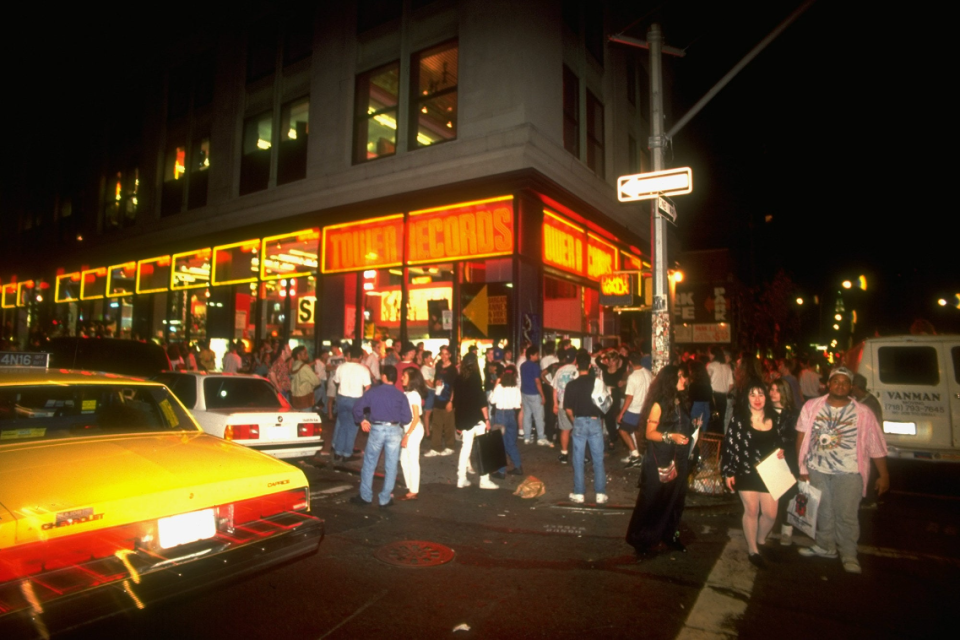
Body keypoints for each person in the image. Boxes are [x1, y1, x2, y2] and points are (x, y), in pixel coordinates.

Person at [796, 366, 889, 574]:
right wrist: (802, 466)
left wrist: (884, 474)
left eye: (844, 382)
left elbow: (876, 445)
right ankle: (826, 546)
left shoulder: (863, 413)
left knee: (846, 514)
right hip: (817, 468)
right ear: (829, 384)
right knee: (823, 510)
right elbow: (801, 437)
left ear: (851, 386)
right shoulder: (812, 406)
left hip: (850, 472)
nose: (840, 385)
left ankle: (848, 553)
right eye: (836, 381)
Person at [722, 379, 794, 567]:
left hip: (771, 470)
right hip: (746, 470)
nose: (757, 399)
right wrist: (729, 472)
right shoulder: (739, 419)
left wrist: (783, 448)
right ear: (746, 398)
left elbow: (786, 440)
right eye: (752, 395)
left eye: (761, 394)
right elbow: (730, 446)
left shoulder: (775, 418)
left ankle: (761, 540)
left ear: (766, 397)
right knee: (752, 510)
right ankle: (753, 549)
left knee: (770, 514)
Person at [625, 364, 695, 557]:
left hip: (680, 458)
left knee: (675, 500)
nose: (684, 380)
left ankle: (670, 535)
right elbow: (649, 433)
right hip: (660, 458)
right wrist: (670, 437)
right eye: (680, 377)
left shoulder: (682, 401)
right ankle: (641, 541)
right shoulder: (659, 404)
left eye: (684, 377)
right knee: (653, 500)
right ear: (670, 380)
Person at [349, 365, 413, 508]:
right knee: (391, 466)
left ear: (384, 376)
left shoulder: (373, 392)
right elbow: (407, 418)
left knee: (370, 462)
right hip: (394, 430)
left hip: (377, 428)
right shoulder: (400, 395)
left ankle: (365, 496)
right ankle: (385, 498)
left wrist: (362, 420)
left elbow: (357, 407)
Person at [563, 349, 608, 504]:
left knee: (578, 459)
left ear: (577, 365)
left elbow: (568, 408)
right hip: (595, 422)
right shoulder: (598, 383)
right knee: (598, 459)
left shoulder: (571, 385)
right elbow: (605, 404)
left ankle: (579, 492)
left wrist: (574, 420)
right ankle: (600, 493)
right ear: (589, 366)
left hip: (579, 421)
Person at [454, 353, 498, 489]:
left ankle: (461, 478)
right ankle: (484, 480)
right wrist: (486, 418)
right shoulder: (476, 378)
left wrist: (459, 423)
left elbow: (457, 402)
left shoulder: (458, 379)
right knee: (483, 448)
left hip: (465, 419)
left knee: (465, 448)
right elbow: (481, 400)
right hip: (477, 418)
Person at [769, 378, 801, 546]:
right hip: (769, 458)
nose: (773, 393)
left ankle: (786, 529)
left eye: (777, 389)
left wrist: (785, 448)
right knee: (770, 494)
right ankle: (769, 525)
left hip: (788, 458)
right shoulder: (766, 412)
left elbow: (797, 437)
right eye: (772, 389)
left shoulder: (794, 413)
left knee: (788, 494)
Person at [331, 345, 373, 462]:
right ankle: (347, 454)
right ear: (360, 356)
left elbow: (336, 381)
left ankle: (338, 452)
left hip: (342, 398)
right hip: (356, 400)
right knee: (352, 428)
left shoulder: (341, 367)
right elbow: (368, 387)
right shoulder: (363, 369)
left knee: (343, 425)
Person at [617, 351, 652, 468]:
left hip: (634, 409)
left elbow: (629, 397)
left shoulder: (632, 376)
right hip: (645, 408)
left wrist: (621, 413)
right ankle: (637, 454)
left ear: (630, 362)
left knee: (623, 430)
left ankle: (635, 455)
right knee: (637, 433)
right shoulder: (648, 373)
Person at [489, 364, 523, 478]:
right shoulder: (516, 388)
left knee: (500, 443)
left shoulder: (499, 387)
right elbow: (518, 405)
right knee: (511, 443)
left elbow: (492, 401)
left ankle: (501, 471)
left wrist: (495, 385)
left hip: (500, 415)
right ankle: (518, 466)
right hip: (511, 415)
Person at [399, 367, 427, 500]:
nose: (401, 378)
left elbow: (416, 418)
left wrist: (407, 435)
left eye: (404, 376)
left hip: (413, 430)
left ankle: (413, 490)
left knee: (412, 459)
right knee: (404, 459)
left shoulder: (414, 395)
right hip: (409, 429)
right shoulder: (408, 393)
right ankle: (410, 485)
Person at [425, 345, 457, 457]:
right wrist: (436, 382)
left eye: (446, 354)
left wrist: (451, 401)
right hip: (437, 398)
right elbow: (435, 380)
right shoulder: (438, 366)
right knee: (436, 424)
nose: (443, 356)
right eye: (442, 354)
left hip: (447, 399)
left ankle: (450, 446)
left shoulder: (453, 369)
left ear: (450, 355)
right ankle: (435, 447)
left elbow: (455, 386)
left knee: (448, 425)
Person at [552, 347, 579, 464]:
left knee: (565, 429)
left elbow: (554, 389)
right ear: (575, 358)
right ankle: (580, 454)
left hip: (563, 404)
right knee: (579, 429)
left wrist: (555, 404)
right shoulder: (577, 371)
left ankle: (564, 454)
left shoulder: (559, 370)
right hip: (576, 405)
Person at [520, 346, 549, 446]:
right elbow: (537, 381)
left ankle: (527, 437)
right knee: (539, 416)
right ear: (531, 355)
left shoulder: (523, 365)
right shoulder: (535, 366)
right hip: (534, 393)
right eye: (536, 354)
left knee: (527, 415)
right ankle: (541, 437)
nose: (538, 356)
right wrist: (543, 395)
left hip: (524, 392)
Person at [707, 347, 734, 433]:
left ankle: (712, 443)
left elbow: (707, 379)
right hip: (723, 397)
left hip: (713, 396)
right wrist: (726, 393)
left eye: (710, 353)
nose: (709, 355)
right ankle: (720, 442)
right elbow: (731, 384)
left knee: (711, 421)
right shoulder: (727, 368)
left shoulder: (711, 366)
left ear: (714, 355)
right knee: (721, 421)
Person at [290, 346, 321, 410]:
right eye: (305, 353)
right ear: (298, 356)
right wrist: (311, 384)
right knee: (307, 418)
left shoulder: (293, 366)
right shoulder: (305, 367)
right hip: (305, 399)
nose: (307, 355)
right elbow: (316, 381)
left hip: (295, 399)